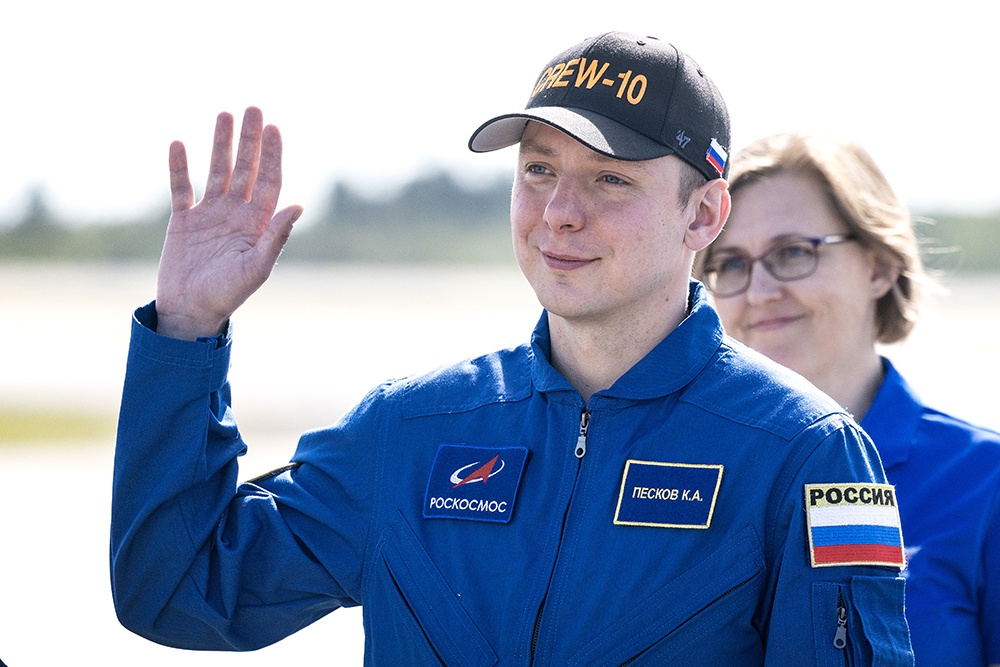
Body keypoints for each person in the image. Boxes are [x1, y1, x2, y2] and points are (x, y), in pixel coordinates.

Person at [110, 33, 914, 664]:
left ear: (703, 215)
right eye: (538, 170)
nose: (559, 210)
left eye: (611, 179)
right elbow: (177, 588)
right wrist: (185, 329)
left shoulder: (807, 455)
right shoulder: (411, 429)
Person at [697, 131, 1000, 665]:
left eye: (793, 252)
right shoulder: (685, 474)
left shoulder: (983, 481)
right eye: (733, 264)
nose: (760, 292)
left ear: (879, 266)